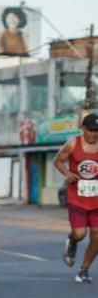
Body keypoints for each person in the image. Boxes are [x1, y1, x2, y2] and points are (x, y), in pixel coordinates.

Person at [55, 114, 98, 283]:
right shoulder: (73, 144)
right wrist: (67, 173)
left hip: (96, 199)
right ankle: (72, 241)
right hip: (77, 197)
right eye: (91, 130)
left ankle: (84, 269)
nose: (94, 134)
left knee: (97, 235)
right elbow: (57, 161)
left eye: (97, 131)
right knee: (80, 234)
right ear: (83, 129)